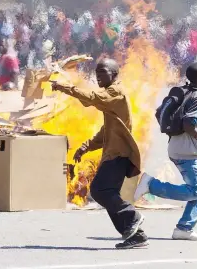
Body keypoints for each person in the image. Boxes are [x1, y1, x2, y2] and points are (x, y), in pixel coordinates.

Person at [51, 58, 149, 249]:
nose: (98, 76)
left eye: (103, 72)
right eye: (97, 73)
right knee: (107, 193)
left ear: (114, 74)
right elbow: (108, 129)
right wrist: (86, 146)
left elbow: (93, 98)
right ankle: (137, 236)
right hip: (114, 153)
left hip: (119, 154)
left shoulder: (115, 92)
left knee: (100, 191)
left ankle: (131, 216)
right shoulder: (111, 97)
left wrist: (65, 87)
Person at [134, 62, 197, 241]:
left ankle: (184, 228)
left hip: (179, 146)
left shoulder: (185, 92)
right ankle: (151, 185)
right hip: (186, 150)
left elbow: (159, 113)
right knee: (196, 190)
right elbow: (188, 123)